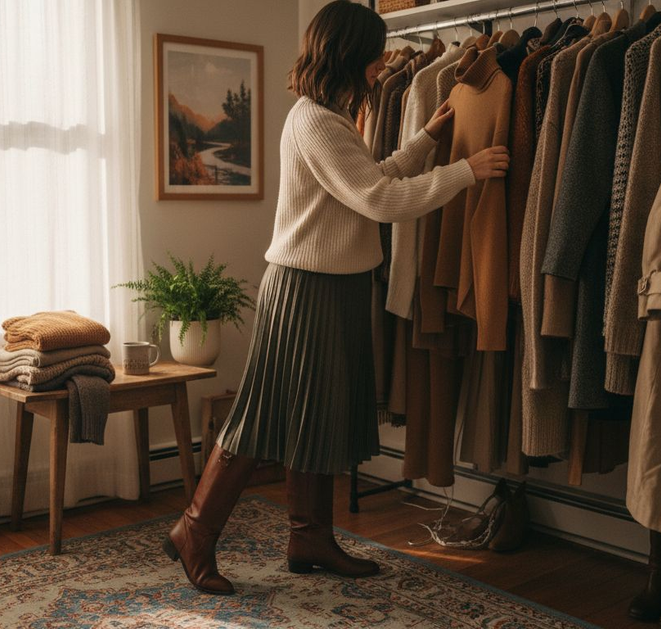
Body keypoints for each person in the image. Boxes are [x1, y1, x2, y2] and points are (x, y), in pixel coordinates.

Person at [161, 0, 511, 595]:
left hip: (337, 285)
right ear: (349, 55)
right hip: (304, 290)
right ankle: (194, 530)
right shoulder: (316, 121)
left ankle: (310, 536)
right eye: (373, 56)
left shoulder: (330, 117)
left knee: (318, 415)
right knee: (262, 418)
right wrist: (466, 172)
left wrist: (427, 138)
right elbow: (380, 201)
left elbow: (372, 178)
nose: (380, 66)